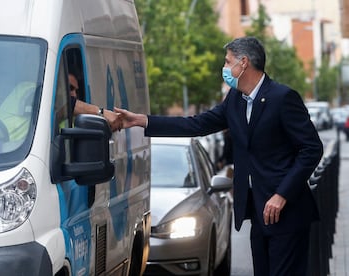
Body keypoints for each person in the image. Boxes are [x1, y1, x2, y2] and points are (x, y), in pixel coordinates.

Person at [115, 37, 323, 275]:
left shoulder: (282, 98)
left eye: (227, 62)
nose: (224, 69)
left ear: (243, 63)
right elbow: (196, 124)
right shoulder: (235, 100)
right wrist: (142, 121)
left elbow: (312, 148)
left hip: (288, 212)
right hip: (259, 211)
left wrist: (282, 194)